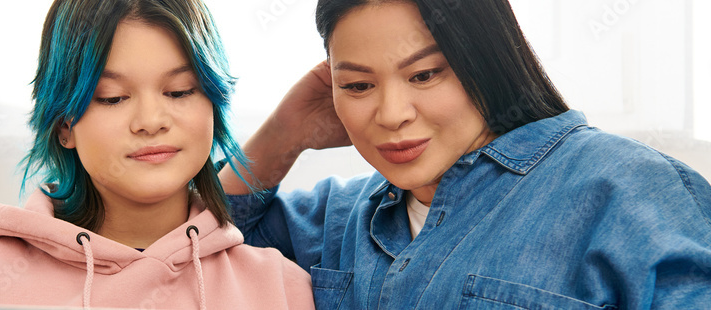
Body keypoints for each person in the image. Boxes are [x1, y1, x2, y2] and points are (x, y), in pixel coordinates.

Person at [219, 0, 711, 309]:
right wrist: (284, 135)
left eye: (425, 74)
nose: (391, 114)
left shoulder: (633, 192)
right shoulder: (335, 219)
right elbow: (183, 243)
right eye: (358, 84)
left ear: (486, 61)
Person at [0, 0, 313, 309]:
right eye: (112, 98)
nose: (150, 120)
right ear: (64, 126)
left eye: (180, 91)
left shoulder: (277, 284)